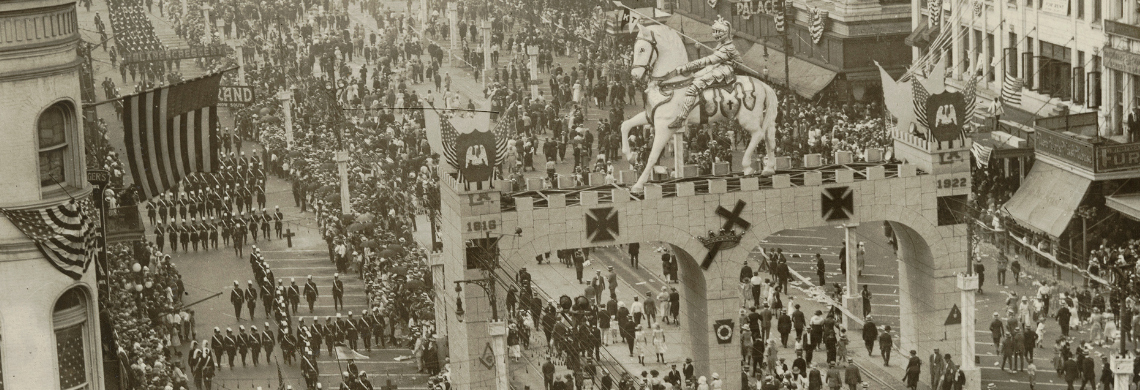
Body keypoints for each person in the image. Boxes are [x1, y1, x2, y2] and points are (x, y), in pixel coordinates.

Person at [668, 16, 740, 129]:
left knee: (694, 87)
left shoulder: (728, 48)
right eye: (714, 31)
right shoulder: (721, 45)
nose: (715, 34)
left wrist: (686, 67)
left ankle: (682, 118)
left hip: (725, 70)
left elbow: (707, 60)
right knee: (694, 77)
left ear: (725, 32)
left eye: (718, 32)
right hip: (717, 66)